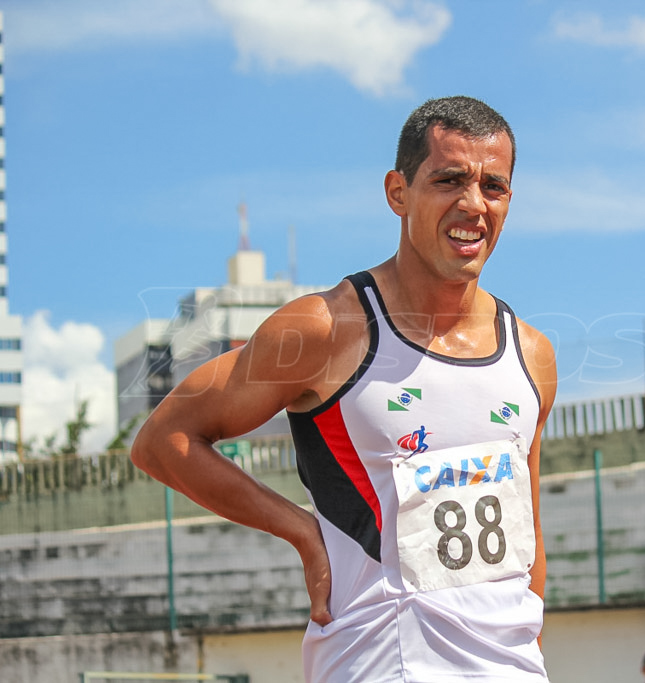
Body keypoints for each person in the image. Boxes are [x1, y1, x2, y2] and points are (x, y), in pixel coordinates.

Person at [131, 96, 557, 682]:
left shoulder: (531, 354)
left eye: (494, 187)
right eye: (449, 179)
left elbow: (527, 545)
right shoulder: (326, 328)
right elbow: (162, 441)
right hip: (379, 662)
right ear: (397, 191)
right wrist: (302, 532)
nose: (472, 204)